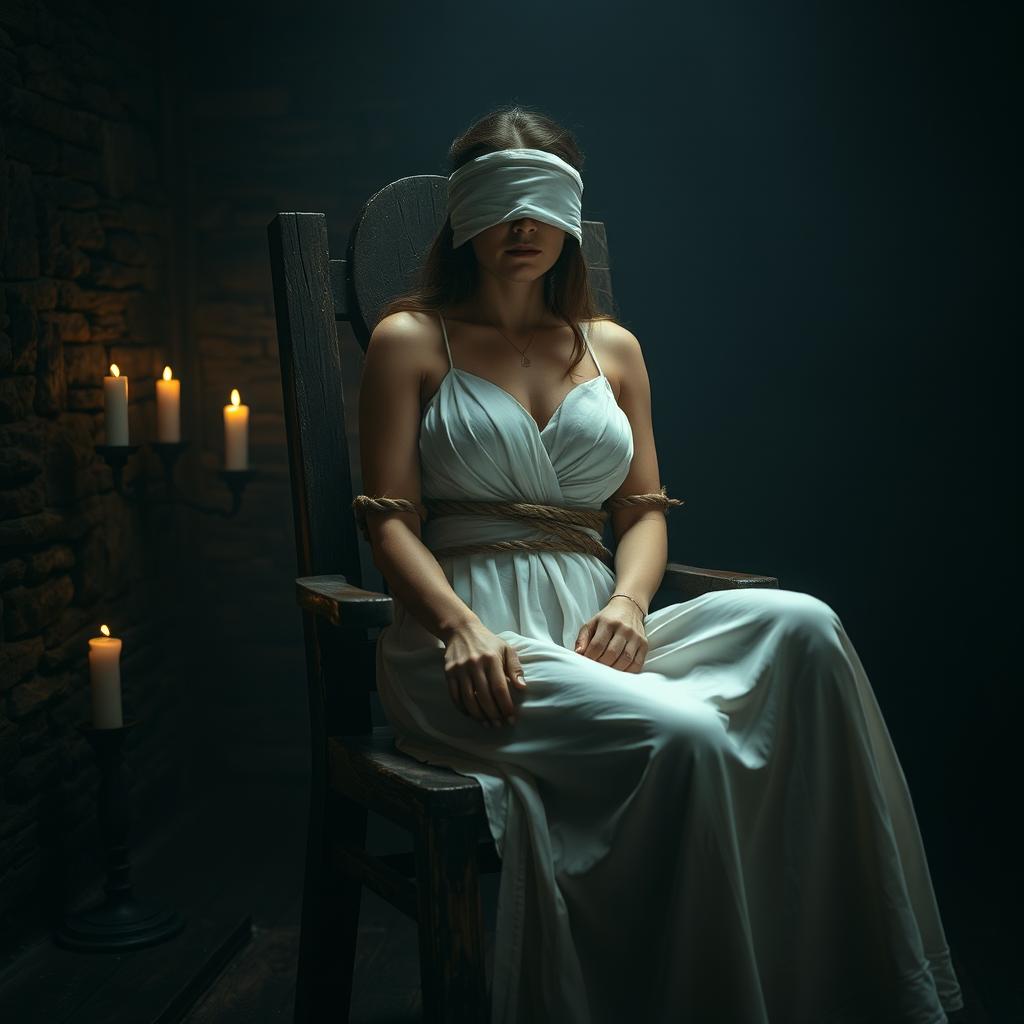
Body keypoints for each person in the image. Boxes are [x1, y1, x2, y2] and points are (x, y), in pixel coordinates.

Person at [353, 105, 965, 1024]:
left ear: (570, 216)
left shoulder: (615, 350)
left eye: (542, 205)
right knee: (690, 739)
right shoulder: (409, 340)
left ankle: (850, 978)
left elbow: (640, 511)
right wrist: (458, 626)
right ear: (463, 215)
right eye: (501, 204)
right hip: (477, 648)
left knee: (806, 624)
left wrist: (633, 604)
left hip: (601, 627)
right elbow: (390, 521)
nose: (523, 228)